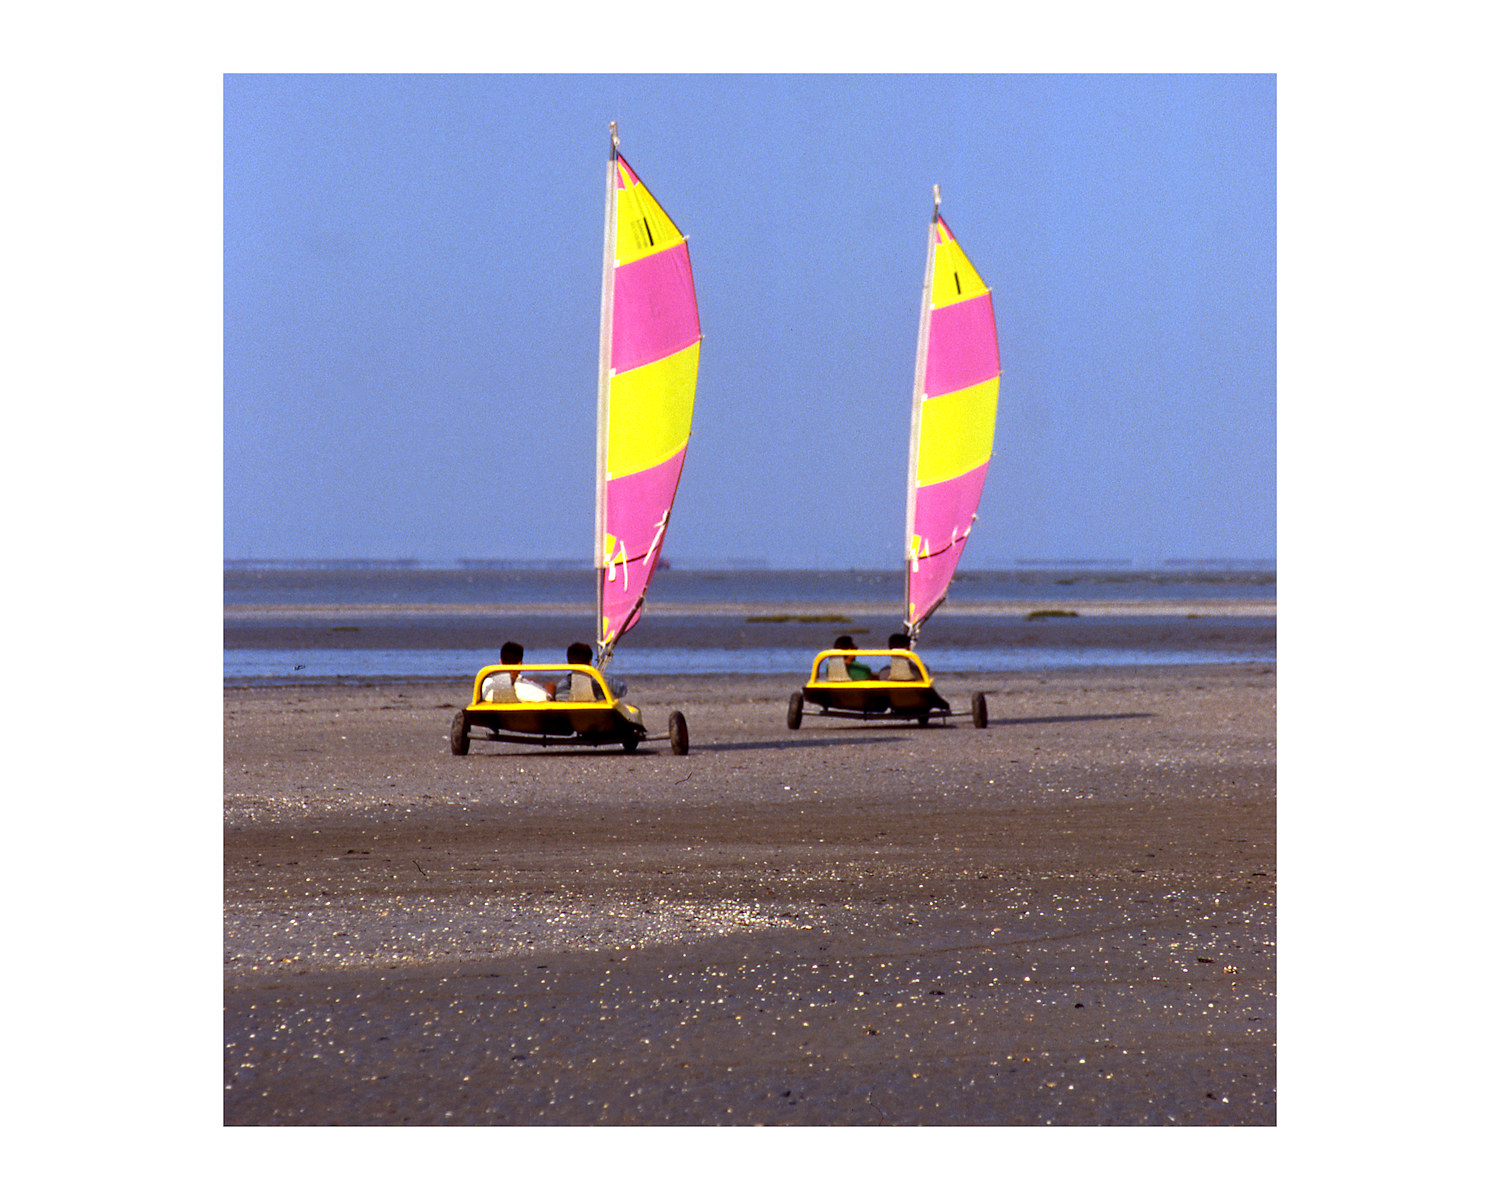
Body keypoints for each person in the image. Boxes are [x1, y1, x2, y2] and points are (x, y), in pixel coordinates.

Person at [481, 641, 555, 702]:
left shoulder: (487, 685)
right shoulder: (524, 689)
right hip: (521, 717)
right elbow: (546, 699)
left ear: (501, 662)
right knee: (550, 685)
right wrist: (550, 690)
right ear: (520, 663)